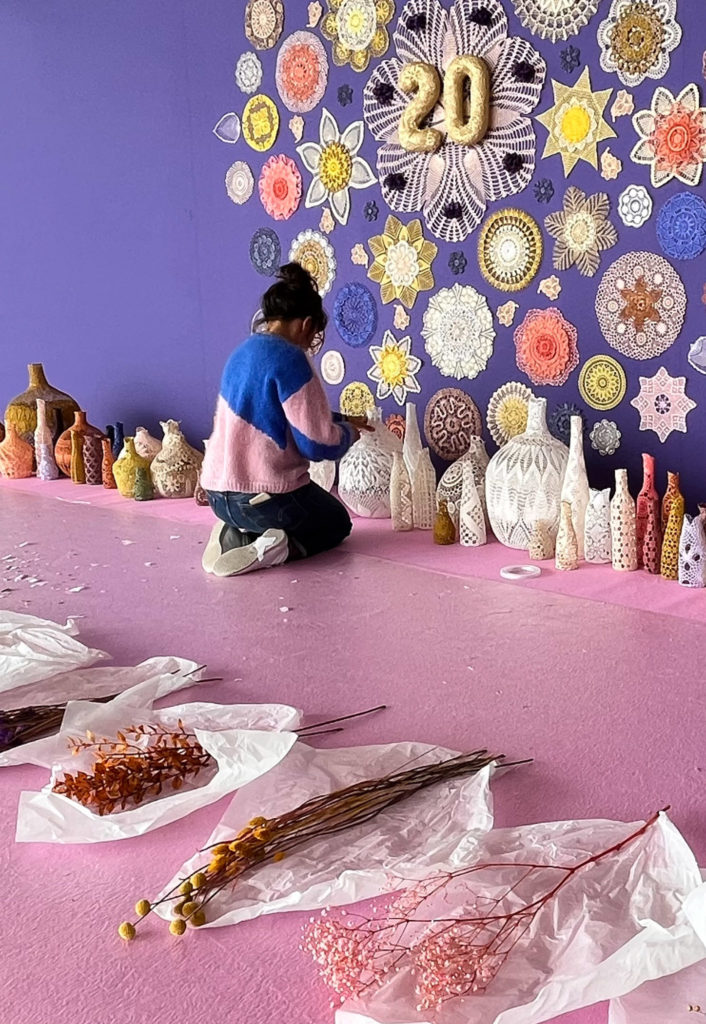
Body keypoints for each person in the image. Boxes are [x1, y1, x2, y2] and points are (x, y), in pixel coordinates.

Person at [200, 262, 370, 577]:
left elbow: (278, 418)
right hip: (265, 498)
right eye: (314, 334)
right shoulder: (291, 359)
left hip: (217, 494)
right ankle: (277, 547)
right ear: (306, 324)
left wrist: (343, 418)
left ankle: (233, 531)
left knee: (270, 509)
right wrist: (349, 434)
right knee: (335, 522)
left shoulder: (242, 353)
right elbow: (316, 444)